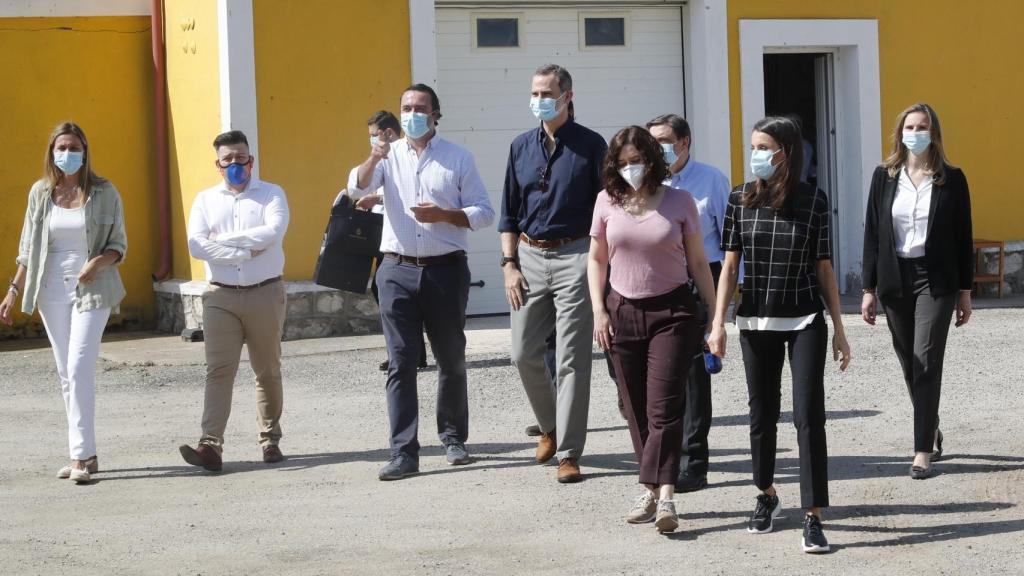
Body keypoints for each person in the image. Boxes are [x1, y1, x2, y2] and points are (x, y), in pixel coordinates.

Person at [708, 116, 851, 554]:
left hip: (806, 318)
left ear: (784, 153)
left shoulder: (814, 201)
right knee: (761, 415)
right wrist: (717, 324)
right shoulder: (739, 198)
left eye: (763, 147)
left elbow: (824, 267)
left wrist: (840, 330)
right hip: (755, 322)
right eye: (753, 146)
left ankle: (813, 515)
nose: (755, 155)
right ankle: (766, 494)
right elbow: (729, 266)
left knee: (809, 415)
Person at [352, 83, 494, 481]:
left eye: (420, 108)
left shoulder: (457, 158)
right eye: (406, 107)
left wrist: (446, 215)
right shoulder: (386, 157)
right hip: (396, 270)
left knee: (451, 357)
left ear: (435, 114)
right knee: (400, 362)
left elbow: (484, 212)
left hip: (445, 270)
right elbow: (356, 187)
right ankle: (403, 451)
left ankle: (453, 438)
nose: (412, 113)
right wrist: (373, 155)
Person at [589, 126, 717, 533]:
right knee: (635, 408)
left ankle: (665, 497)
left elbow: (698, 262)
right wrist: (599, 311)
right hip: (621, 311)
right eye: (623, 163)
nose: (631, 169)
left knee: (665, 407)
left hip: (673, 312)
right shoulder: (606, 202)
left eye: (637, 161)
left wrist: (715, 315)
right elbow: (596, 261)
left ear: (653, 160)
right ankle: (650, 485)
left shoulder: (680, 201)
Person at [499, 64, 608, 483]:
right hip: (528, 256)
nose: (539, 100)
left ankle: (568, 452)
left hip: (576, 254)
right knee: (523, 352)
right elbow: (509, 210)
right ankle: (549, 426)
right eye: (534, 93)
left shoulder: (592, 146)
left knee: (572, 359)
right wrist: (509, 265)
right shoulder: (519, 146)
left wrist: (600, 262)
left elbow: (606, 208)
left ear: (567, 97)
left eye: (546, 93)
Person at [2, 121, 127, 485]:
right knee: (65, 373)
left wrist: (96, 263)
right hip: (50, 290)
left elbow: (119, 244)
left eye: (74, 147)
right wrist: (12, 291)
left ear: (85, 151)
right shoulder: (40, 193)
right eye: (62, 147)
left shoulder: (105, 192)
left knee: (78, 366)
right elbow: (28, 249)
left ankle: (81, 457)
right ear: (52, 152)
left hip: (94, 289)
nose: (68, 154)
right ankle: (83, 452)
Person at [861, 102, 973, 479]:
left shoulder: (951, 179)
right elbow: (873, 232)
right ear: (900, 132)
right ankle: (931, 424)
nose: (915, 132)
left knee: (926, 359)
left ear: (934, 132)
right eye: (910, 126)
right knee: (909, 361)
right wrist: (868, 287)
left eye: (922, 126)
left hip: (935, 280)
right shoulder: (885, 176)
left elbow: (962, 236)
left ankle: (922, 450)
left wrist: (965, 291)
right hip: (895, 278)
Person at [178, 130, 290, 472]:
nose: (235, 164)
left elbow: (273, 233)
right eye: (227, 159)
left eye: (240, 157)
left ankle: (270, 439)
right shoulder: (205, 200)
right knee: (219, 371)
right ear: (218, 164)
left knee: (266, 370)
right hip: (220, 297)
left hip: (265, 293)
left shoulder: (272, 194)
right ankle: (210, 444)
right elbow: (197, 246)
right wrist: (244, 250)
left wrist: (222, 241)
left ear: (250, 160)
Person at [646, 113, 732, 493]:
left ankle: (694, 461)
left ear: (684, 142)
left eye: (664, 141)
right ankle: (663, 455)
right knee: (663, 372)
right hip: (660, 279)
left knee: (695, 375)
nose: (658, 149)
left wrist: (731, 297)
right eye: (653, 142)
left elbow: (733, 240)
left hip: (703, 277)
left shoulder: (711, 179)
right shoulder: (646, 182)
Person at [335, 110, 428, 372]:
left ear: (388, 132)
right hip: (381, 234)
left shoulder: (406, 156)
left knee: (397, 297)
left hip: (405, 238)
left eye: (374, 135)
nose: (372, 140)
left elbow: (409, 196)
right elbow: (359, 185)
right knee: (384, 294)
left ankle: (411, 352)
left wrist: (376, 199)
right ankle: (404, 351)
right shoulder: (383, 159)